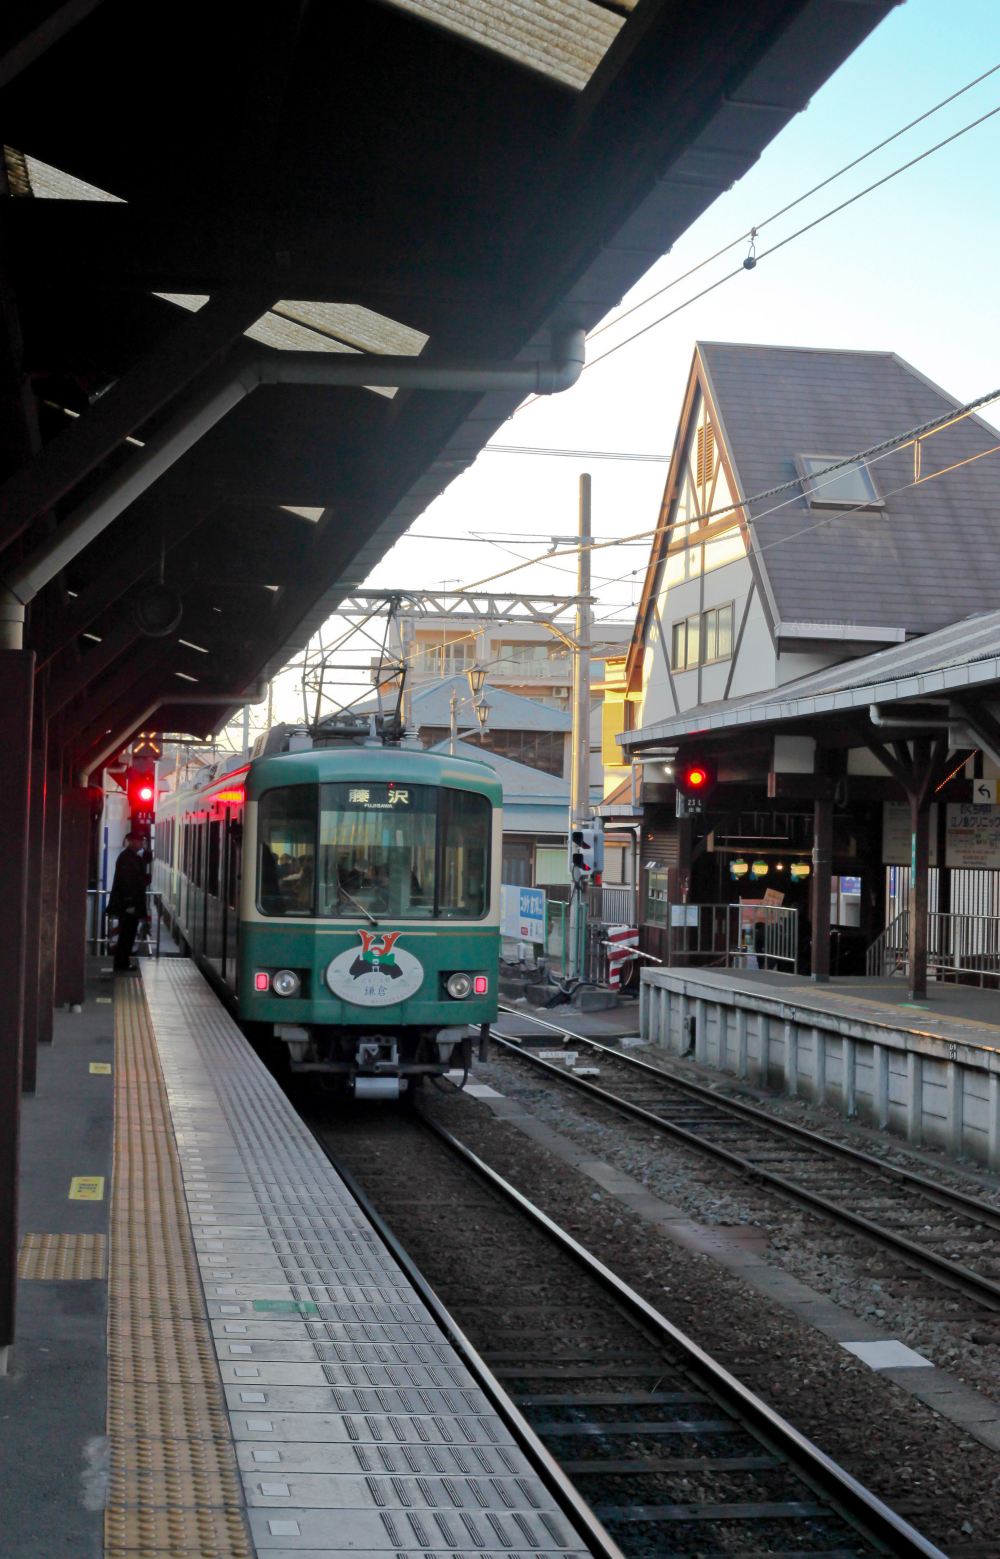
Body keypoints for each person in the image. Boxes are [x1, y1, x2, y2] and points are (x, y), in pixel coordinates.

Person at [108, 831, 149, 973]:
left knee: (128, 934)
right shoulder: (126, 858)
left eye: (142, 841)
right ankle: (121, 963)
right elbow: (126, 883)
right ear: (131, 841)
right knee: (126, 934)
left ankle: (123, 962)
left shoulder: (130, 857)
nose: (141, 843)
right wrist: (130, 903)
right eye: (139, 840)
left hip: (131, 904)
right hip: (128, 905)